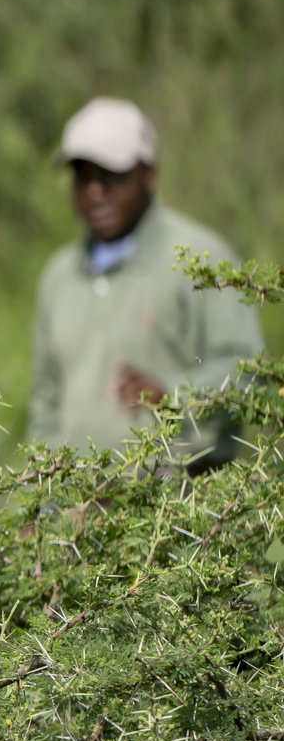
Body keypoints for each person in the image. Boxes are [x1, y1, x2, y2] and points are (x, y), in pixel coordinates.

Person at [28, 97, 262, 468]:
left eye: (112, 176)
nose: (95, 192)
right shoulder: (60, 276)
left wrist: (172, 394)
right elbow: (45, 405)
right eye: (83, 175)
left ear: (149, 174)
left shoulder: (200, 260)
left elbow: (246, 372)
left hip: (179, 505)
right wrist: (39, 501)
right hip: (78, 510)